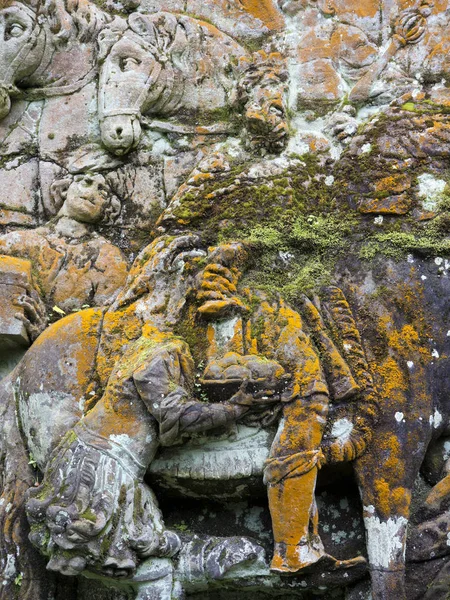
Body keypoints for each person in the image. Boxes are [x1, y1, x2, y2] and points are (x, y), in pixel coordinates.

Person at [0, 171, 128, 316]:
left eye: (103, 192)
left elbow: (108, 320)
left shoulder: (109, 259)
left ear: (107, 209)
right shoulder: (17, 242)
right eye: (86, 182)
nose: (92, 193)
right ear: (65, 190)